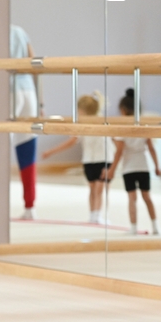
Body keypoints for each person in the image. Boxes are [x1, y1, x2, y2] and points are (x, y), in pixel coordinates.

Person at [41, 92, 115, 224]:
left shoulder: (103, 122)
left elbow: (114, 139)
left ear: (83, 111)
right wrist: (51, 152)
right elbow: (72, 141)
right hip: (89, 160)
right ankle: (93, 214)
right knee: (92, 189)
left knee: (99, 189)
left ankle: (97, 214)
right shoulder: (81, 124)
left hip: (103, 159)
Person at [106, 89, 160, 235]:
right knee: (147, 197)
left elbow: (119, 151)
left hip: (129, 168)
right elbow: (151, 148)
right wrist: (157, 166)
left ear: (122, 110)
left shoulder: (123, 128)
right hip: (143, 166)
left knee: (132, 198)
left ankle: (134, 227)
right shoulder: (143, 126)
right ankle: (155, 226)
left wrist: (111, 169)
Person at [10, 25, 39, 220]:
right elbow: (34, 62)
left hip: (10, 90)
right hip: (29, 91)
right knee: (27, 146)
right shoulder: (21, 31)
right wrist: (41, 101)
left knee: (0, 148)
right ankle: (30, 207)